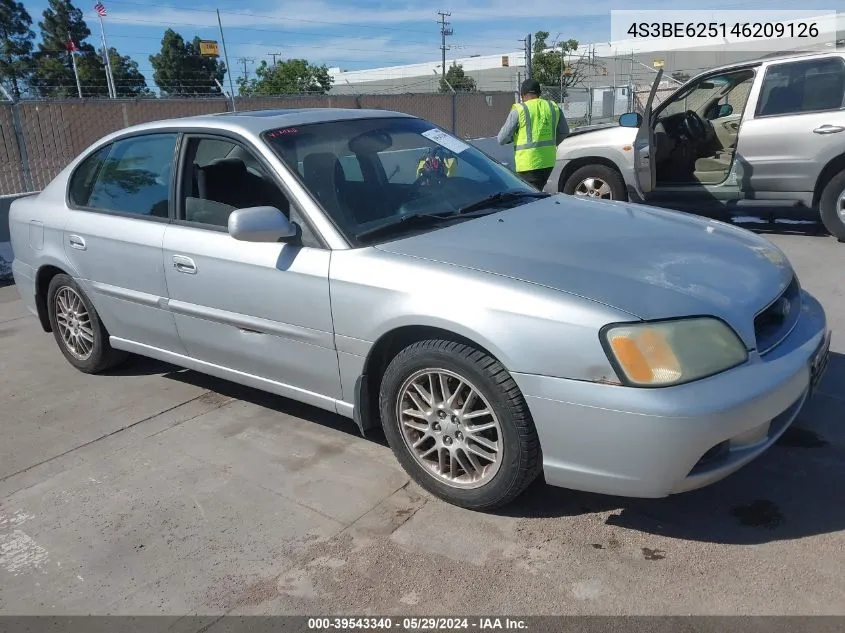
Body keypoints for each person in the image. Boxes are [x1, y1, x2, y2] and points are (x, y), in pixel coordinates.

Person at [497, 78, 569, 190]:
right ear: (539, 93)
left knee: (529, 197)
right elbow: (564, 131)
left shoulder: (520, 109)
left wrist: (514, 138)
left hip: (527, 163)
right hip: (548, 162)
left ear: (522, 95)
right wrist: (551, 144)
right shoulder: (553, 107)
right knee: (537, 191)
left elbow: (501, 138)